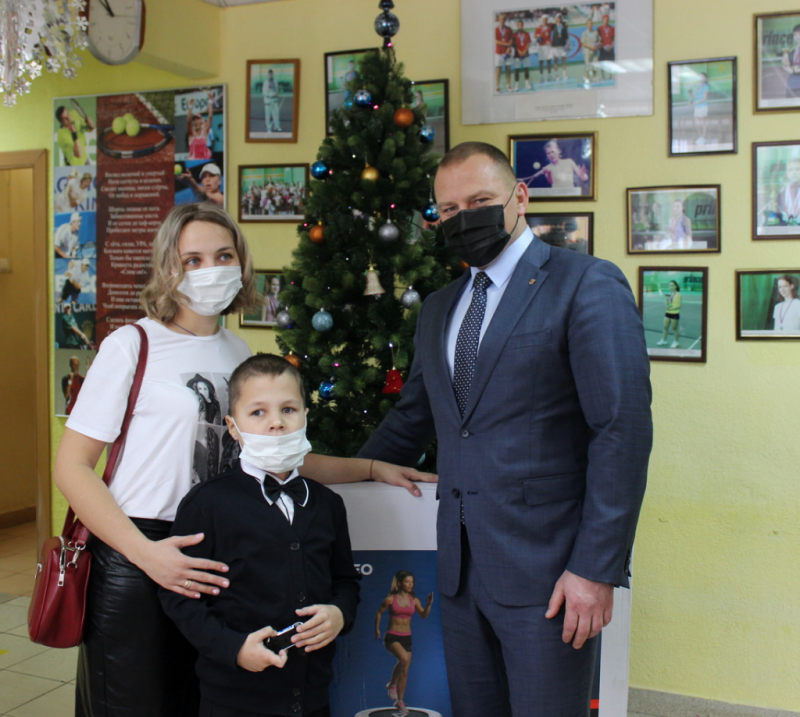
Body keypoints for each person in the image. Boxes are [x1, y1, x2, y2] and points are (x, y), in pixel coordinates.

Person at [53, 202, 435, 717]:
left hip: (222, 556)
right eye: (192, 259)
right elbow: (72, 467)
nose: (210, 269)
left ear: (241, 262)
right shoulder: (132, 345)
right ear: (168, 267)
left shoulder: (238, 353)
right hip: (139, 553)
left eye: (223, 255)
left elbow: (275, 455)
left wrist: (369, 468)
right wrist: (148, 554)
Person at [358, 142, 652, 717]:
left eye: (479, 201)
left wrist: (595, 569)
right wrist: (331, 481)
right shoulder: (438, 308)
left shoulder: (586, 283)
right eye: (448, 209)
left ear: (519, 197)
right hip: (459, 576)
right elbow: (412, 418)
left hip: (551, 575)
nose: (463, 218)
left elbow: (621, 430)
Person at [160, 353, 360, 717]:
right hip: (233, 699)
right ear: (233, 427)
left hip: (312, 698)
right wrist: (233, 648)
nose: (276, 423)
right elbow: (180, 598)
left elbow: (345, 581)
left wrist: (339, 614)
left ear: (305, 417)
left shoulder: (328, 505)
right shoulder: (207, 504)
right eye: (258, 412)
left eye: (289, 409)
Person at [375, 570, 433, 716]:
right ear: (400, 583)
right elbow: (379, 612)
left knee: (405, 670)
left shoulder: (414, 600)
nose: (410, 584)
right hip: (392, 636)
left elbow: (423, 615)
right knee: (403, 658)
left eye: (412, 582)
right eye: (407, 582)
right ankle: (392, 684)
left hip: (407, 637)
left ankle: (400, 702)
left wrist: (428, 604)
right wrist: (377, 629)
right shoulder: (390, 599)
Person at [187, 91, 215, 160]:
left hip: (203, 161)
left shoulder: (204, 132)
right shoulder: (191, 134)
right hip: (193, 162)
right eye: (194, 120)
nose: (195, 121)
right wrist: (190, 106)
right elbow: (188, 121)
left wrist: (210, 100)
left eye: (197, 119)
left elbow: (210, 116)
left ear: (201, 121)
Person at [656, 280, 682, 348]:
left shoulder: (678, 294)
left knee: (674, 328)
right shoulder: (670, 294)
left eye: (672, 285)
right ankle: (663, 340)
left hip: (675, 314)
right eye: (670, 286)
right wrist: (666, 303)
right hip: (667, 313)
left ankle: (676, 342)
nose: (671, 287)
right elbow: (669, 303)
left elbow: (678, 306)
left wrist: (669, 307)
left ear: (676, 286)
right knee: (665, 327)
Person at [777, 157, 800, 224]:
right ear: (786, 173)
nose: (794, 172)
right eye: (790, 170)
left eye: (797, 169)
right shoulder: (780, 195)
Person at [780, 24, 800, 98]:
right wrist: (785, 64)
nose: (797, 37)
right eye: (795, 34)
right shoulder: (793, 50)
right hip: (792, 84)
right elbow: (788, 65)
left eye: (799, 34)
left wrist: (793, 71)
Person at [512, 20, 532, 91]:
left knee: (526, 69)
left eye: (521, 25)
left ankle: (527, 84)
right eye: (519, 25)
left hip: (525, 54)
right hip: (517, 54)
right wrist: (519, 51)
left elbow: (528, 43)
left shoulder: (526, 34)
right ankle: (516, 85)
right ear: (517, 26)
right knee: (517, 70)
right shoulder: (514, 34)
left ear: (523, 25)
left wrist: (525, 51)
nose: (520, 26)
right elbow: (513, 44)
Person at [494, 14, 513, 93]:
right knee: (498, 70)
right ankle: (497, 87)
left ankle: (508, 85)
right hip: (499, 52)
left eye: (503, 19)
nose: (502, 21)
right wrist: (506, 44)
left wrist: (509, 47)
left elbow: (511, 40)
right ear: (498, 20)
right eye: (501, 19)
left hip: (507, 52)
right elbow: (496, 41)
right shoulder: (495, 29)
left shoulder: (509, 29)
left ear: (505, 20)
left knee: (508, 69)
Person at [534, 14, 554, 83]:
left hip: (548, 45)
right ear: (542, 20)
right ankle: (541, 77)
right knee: (541, 62)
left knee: (549, 61)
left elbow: (557, 23)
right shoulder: (539, 27)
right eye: (544, 19)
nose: (545, 20)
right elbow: (534, 36)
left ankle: (549, 76)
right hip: (541, 46)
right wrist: (538, 35)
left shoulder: (550, 26)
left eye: (546, 19)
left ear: (547, 20)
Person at [691, 72, 709, 145]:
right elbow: (697, 98)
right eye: (700, 77)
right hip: (697, 107)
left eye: (702, 77)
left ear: (705, 78)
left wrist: (696, 103)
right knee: (697, 123)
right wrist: (691, 97)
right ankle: (700, 137)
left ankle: (703, 138)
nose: (701, 78)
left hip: (702, 107)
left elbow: (704, 98)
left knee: (703, 123)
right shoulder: (699, 87)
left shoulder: (706, 87)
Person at [581, 19, 600, 85]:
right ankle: (587, 78)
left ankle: (594, 77)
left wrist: (596, 47)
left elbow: (599, 42)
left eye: (591, 23)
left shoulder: (596, 33)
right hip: (587, 52)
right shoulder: (584, 33)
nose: (590, 25)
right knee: (587, 65)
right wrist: (591, 47)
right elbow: (583, 43)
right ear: (587, 25)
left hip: (595, 52)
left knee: (595, 65)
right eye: (589, 24)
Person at [551, 13, 569, 81]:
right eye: (558, 17)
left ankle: (564, 75)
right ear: (556, 18)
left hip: (562, 46)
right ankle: (557, 75)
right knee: (556, 61)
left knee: (564, 61)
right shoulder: (553, 26)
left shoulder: (564, 26)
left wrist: (568, 44)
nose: (559, 19)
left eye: (560, 17)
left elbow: (567, 36)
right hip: (555, 46)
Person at [597, 15, 615, 81]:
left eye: (607, 19)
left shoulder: (612, 28)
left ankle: (610, 76)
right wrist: (602, 46)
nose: (606, 21)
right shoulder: (599, 28)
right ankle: (603, 77)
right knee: (602, 62)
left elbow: (613, 38)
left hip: (610, 48)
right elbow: (598, 39)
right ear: (602, 20)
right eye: (605, 19)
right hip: (603, 48)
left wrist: (611, 45)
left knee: (611, 62)